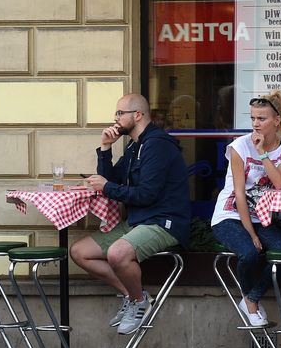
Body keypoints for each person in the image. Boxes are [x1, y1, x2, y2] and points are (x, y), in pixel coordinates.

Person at [71, 94, 191, 335]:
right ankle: (133, 294)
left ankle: (139, 303)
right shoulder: (135, 145)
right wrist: (105, 148)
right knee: (79, 252)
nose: (115, 119)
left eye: (120, 113)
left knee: (117, 253)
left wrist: (105, 187)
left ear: (137, 115)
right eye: (115, 114)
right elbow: (112, 180)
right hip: (138, 221)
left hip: (163, 222)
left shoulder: (157, 145)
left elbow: (146, 195)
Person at [210, 91, 281, 327]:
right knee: (249, 252)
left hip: (261, 216)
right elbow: (238, 192)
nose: (255, 124)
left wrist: (263, 154)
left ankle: (251, 296)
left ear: (276, 121)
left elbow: (279, 182)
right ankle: (251, 306)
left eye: (262, 119)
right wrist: (251, 232)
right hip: (229, 215)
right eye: (253, 118)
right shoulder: (239, 146)